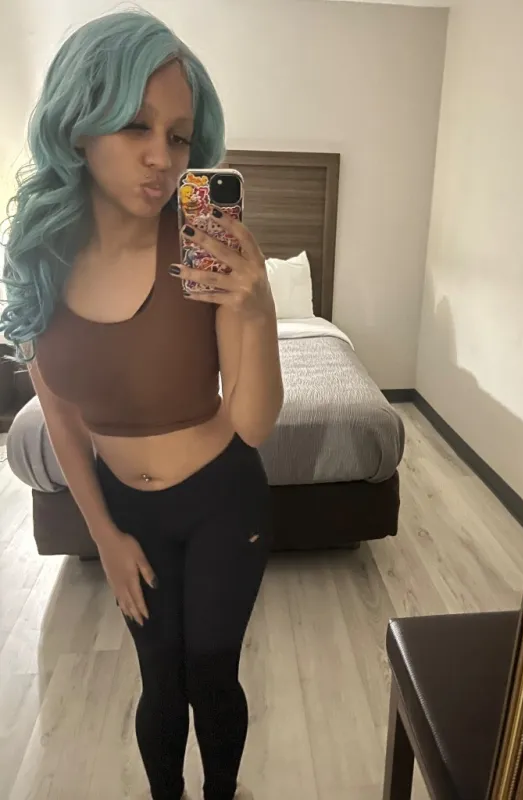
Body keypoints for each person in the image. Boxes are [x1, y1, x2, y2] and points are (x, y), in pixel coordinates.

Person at [0, 11, 283, 800]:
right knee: (159, 678)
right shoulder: (38, 259)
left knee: (210, 673)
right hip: (127, 509)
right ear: (78, 125)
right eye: (135, 126)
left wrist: (259, 309)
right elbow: (60, 416)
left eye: (180, 136)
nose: (162, 157)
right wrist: (105, 534)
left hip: (224, 500)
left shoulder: (206, 246)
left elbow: (255, 422)